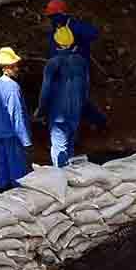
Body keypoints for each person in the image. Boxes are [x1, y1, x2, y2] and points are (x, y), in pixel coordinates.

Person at [43, 0, 106, 130]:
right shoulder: (54, 32)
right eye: (51, 17)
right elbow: (52, 51)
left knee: (79, 99)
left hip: (79, 70)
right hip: (62, 70)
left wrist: (77, 37)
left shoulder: (75, 26)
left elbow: (93, 33)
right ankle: (63, 130)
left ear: (63, 14)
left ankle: (97, 122)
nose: (52, 19)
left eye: (54, 16)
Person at [35, 25, 92, 167]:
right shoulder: (81, 62)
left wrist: (41, 110)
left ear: (56, 43)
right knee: (70, 145)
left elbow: (46, 90)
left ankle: (61, 179)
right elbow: (86, 89)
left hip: (58, 114)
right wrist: (81, 108)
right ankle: (72, 177)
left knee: (59, 148)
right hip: (75, 112)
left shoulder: (53, 63)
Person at [0, 46, 31, 191]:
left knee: (1, 163)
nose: (17, 68)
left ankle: (0, 189)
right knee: (17, 166)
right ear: (8, 67)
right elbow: (17, 116)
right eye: (15, 66)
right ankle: (18, 194)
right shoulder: (13, 88)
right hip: (12, 135)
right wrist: (25, 140)